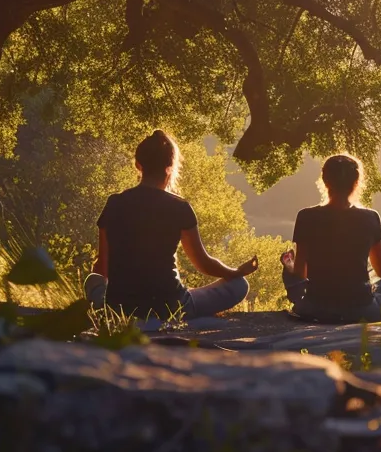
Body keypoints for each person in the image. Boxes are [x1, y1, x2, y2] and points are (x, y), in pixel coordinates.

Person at [86, 130, 259, 318]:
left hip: (121, 308)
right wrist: (235, 272)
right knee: (239, 285)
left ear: (138, 165)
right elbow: (203, 263)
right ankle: (185, 304)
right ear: (170, 167)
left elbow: (102, 267)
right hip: (171, 306)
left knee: (93, 280)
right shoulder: (180, 207)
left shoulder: (115, 203)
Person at [279, 154, 381, 323]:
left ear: (324, 181)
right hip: (361, 311)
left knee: (289, 270)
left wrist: (290, 266)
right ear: (356, 183)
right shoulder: (369, 217)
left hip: (316, 309)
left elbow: (301, 272)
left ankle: (303, 304)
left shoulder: (306, 217)